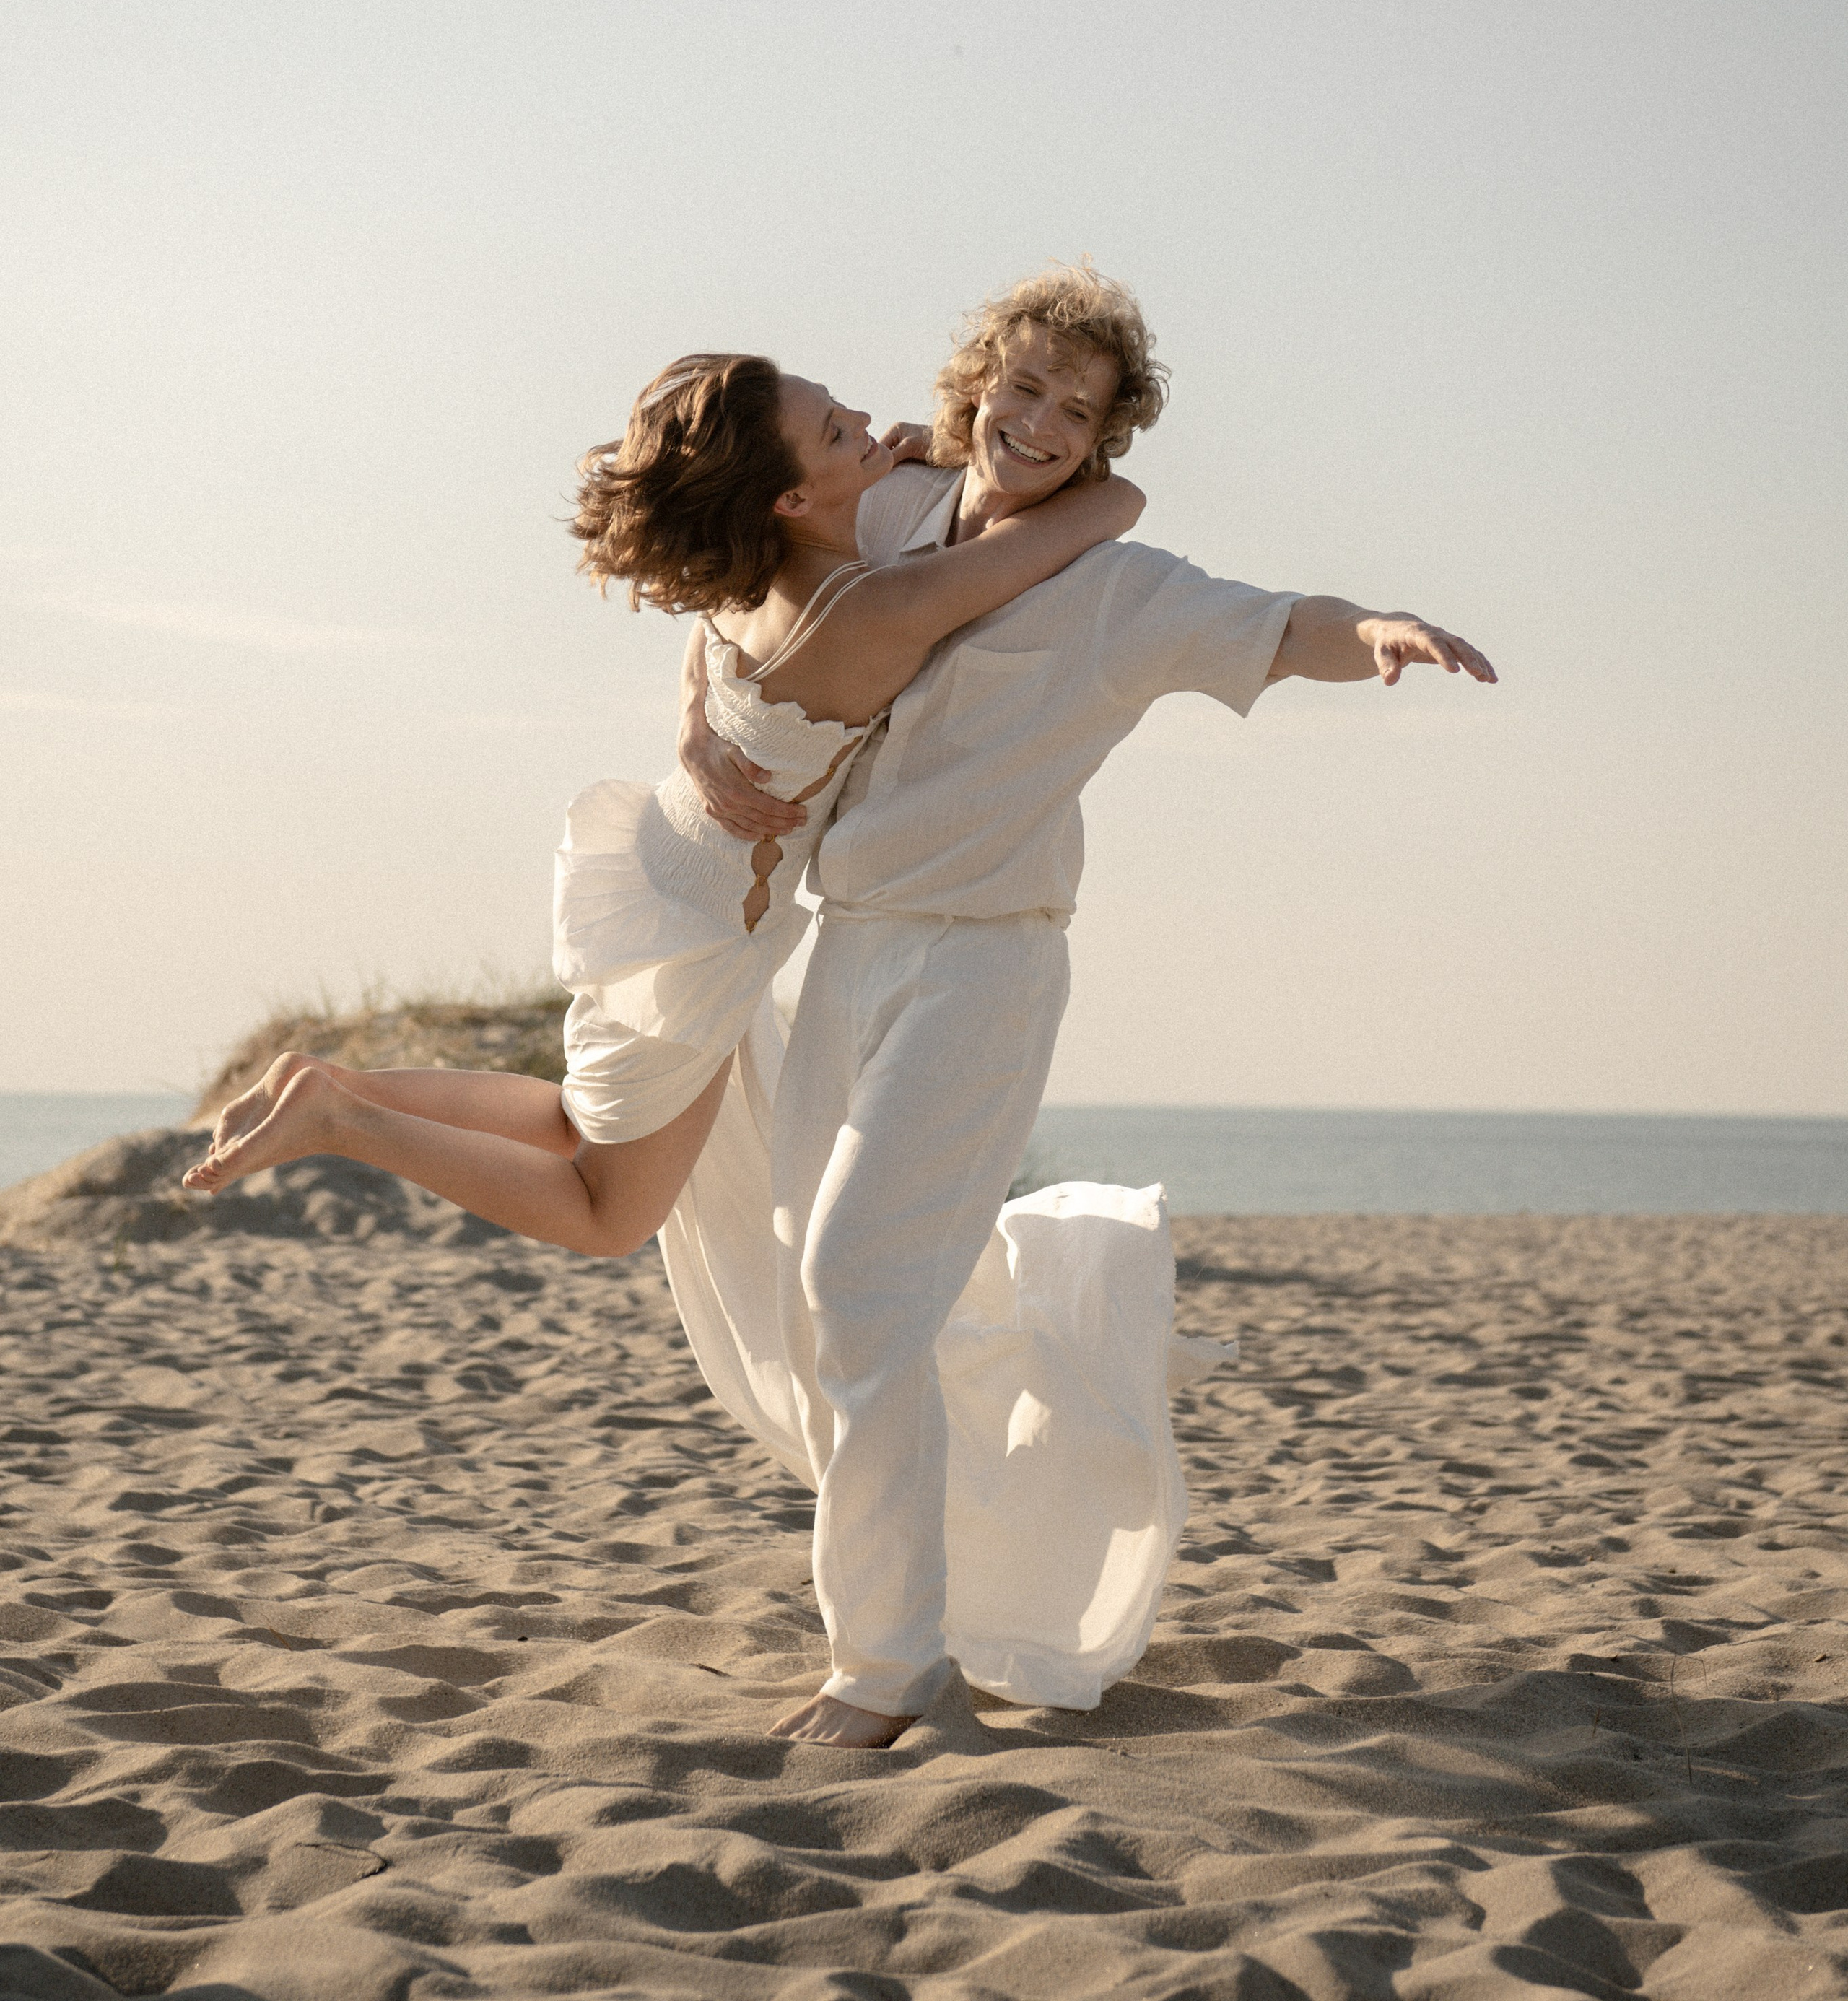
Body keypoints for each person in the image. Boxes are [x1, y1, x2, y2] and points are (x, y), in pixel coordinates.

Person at [676, 262, 1497, 1747]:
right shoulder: (890, 512)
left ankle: (886, 1670)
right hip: (844, 947)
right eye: (1025, 385)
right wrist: (694, 715)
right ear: (976, 384)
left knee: (860, 1286)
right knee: (828, 1312)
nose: (1041, 420)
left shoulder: (1116, 588)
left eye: (1079, 405)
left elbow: (1272, 620)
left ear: (1109, 436)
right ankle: (934, 1578)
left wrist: (1365, 623)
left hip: (982, 963)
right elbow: (743, 570)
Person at [181, 350, 1141, 1266]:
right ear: (790, 497)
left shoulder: (764, 559)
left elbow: (709, 633)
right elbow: (1102, 511)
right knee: (606, 1214)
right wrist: (981, 447)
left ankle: (335, 1084)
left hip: (672, 868)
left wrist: (695, 721)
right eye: (833, 429)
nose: (865, 422)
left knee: (576, 1118)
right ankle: (346, 1123)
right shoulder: (870, 609)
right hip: (705, 931)